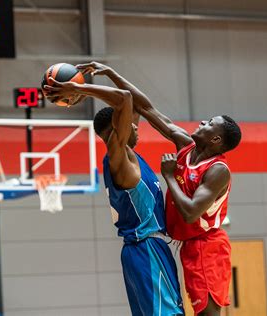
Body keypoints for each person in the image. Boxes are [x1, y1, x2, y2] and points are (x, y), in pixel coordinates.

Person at [78, 64, 242, 315]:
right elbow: (145, 107)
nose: (202, 121)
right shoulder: (186, 146)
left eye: (209, 123)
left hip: (207, 246)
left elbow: (190, 213)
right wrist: (111, 73)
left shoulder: (218, 170)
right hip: (184, 244)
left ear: (216, 140)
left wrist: (169, 177)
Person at [43, 72, 184, 316]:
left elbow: (135, 101)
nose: (136, 126)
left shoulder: (129, 153)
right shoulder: (117, 158)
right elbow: (124, 99)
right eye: (130, 124)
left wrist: (108, 72)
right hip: (146, 247)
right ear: (114, 130)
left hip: (144, 249)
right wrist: (78, 88)